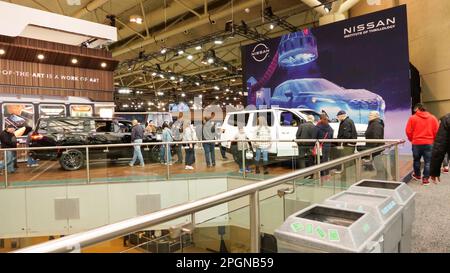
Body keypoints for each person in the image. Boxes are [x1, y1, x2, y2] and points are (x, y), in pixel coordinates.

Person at [405, 103, 439, 185]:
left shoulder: (412, 118)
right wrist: (433, 140)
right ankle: (425, 179)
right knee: (428, 162)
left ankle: (417, 175)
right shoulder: (433, 118)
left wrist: (412, 139)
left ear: (417, 109)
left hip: (416, 143)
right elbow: (437, 131)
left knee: (416, 160)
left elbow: (408, 131)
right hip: (429, 143)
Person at [336, 110, 357, 181]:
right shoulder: (348, 121)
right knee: (350, 161)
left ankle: (345, 177)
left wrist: (342, 143)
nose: (338, 118)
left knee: (346, 162)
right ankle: (349, 176)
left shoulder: (346, 122)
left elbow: (346, 135)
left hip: (347, 145)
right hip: (350, 144)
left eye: (338, 117)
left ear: (342, 116)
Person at [364, 111, 385, 178]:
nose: (369, 116)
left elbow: (376, 137)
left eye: (371, 115)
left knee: (378, 163)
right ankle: (382, 176)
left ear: (376, 116)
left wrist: (372, 148)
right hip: (375, 147)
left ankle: (382, 177)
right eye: (369, 114)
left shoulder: (376, 124)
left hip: (376, 148)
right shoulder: (373, 123)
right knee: (378, 163)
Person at [430, 113, 450, 182]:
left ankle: (446, 166)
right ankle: (446, 166)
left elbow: (439, 147)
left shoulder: (447, 118)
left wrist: (434, 171)